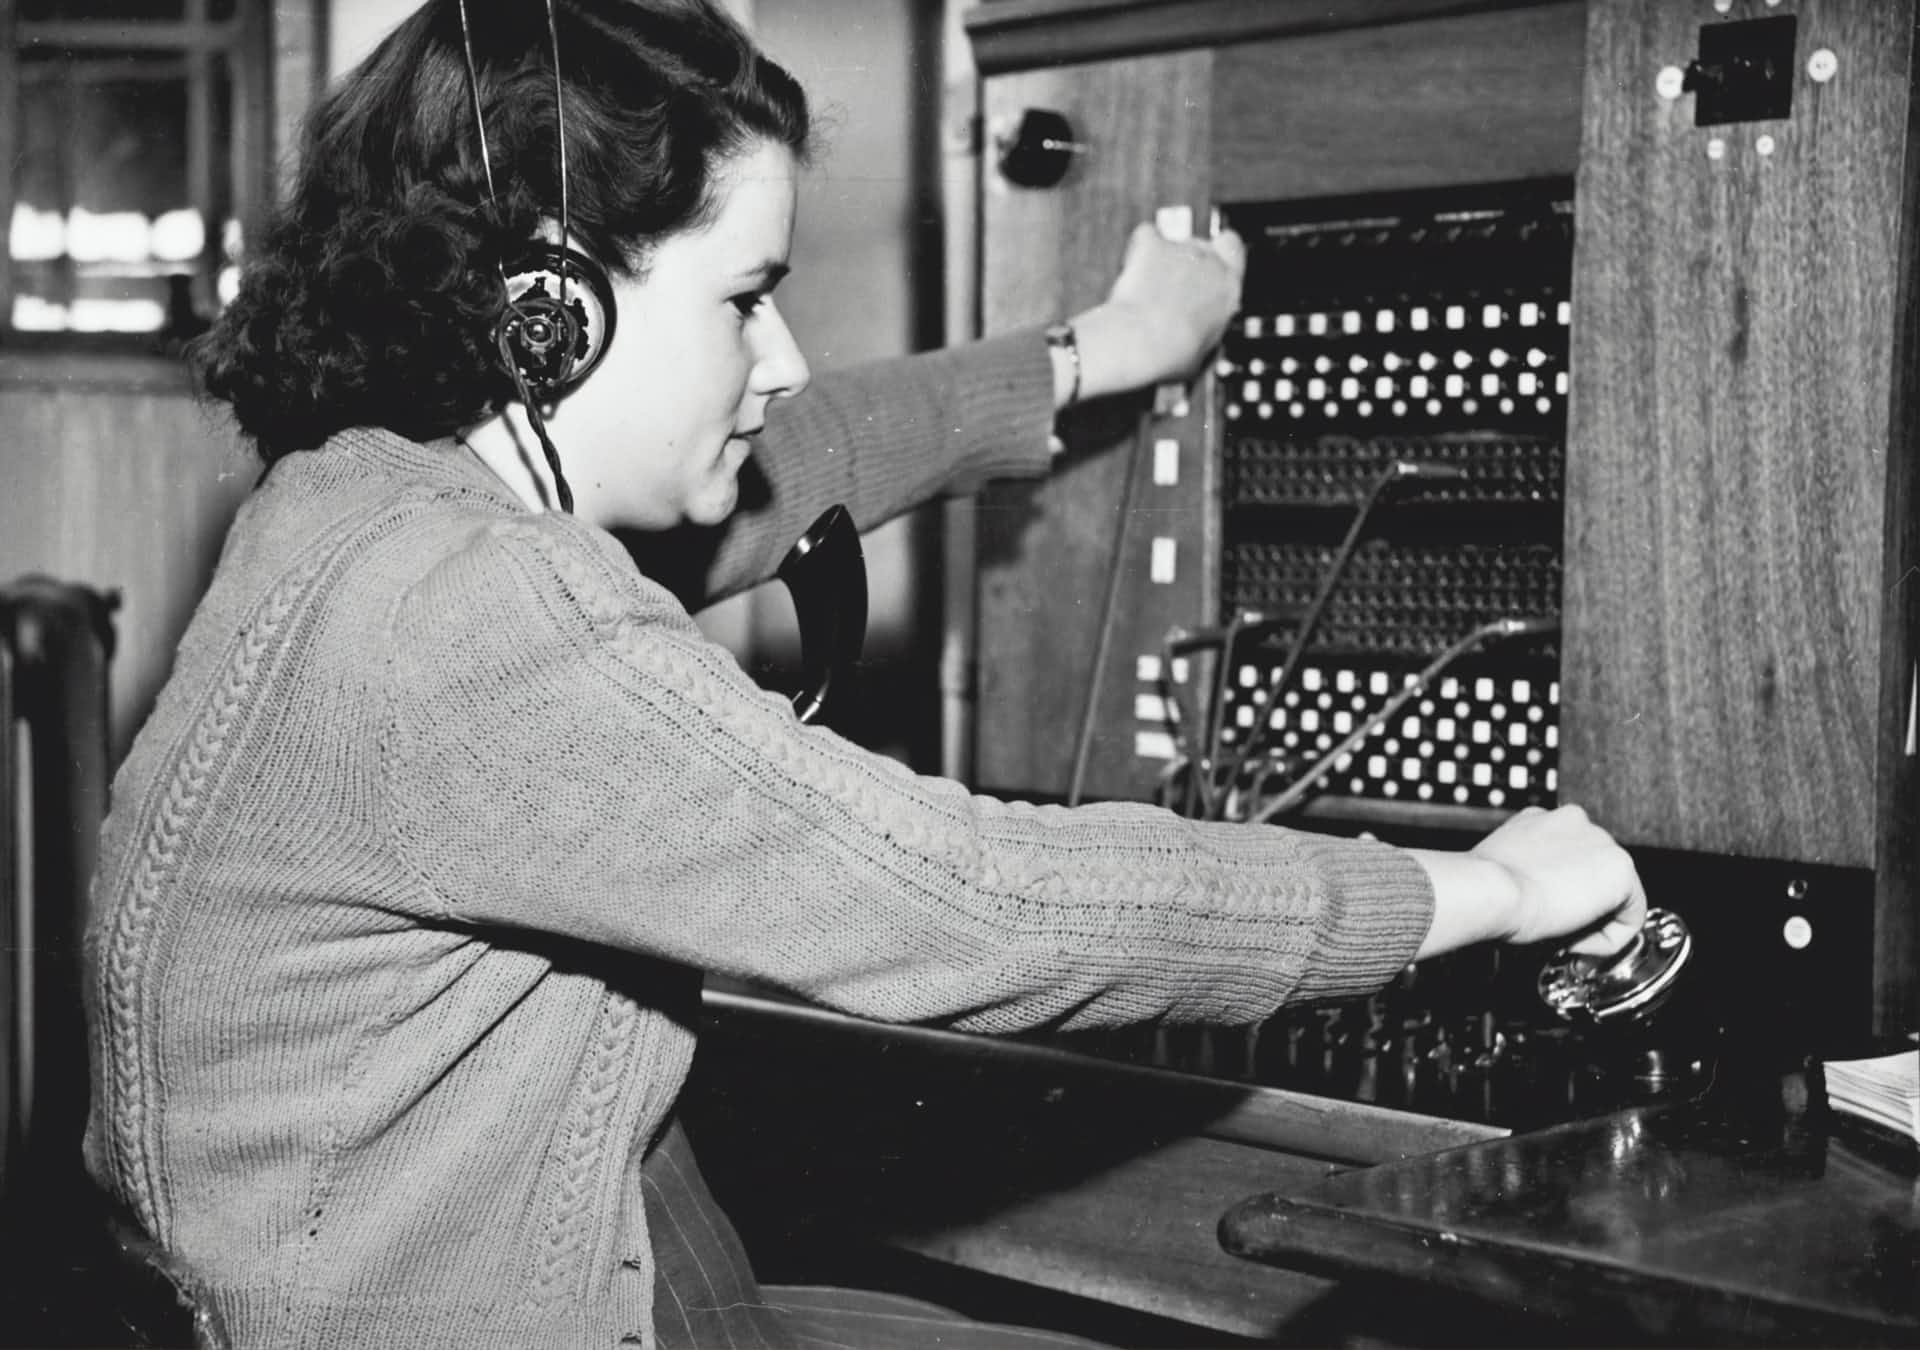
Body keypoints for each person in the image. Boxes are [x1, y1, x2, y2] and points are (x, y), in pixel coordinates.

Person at [81, 1, 1647, 1347]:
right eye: (745, 299)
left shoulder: (360, 502)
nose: (783, 359)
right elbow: (976, 903)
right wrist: (1482, 889)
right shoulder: (470, 616)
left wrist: (1102, 348)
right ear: (550, 310)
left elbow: (811, 454)